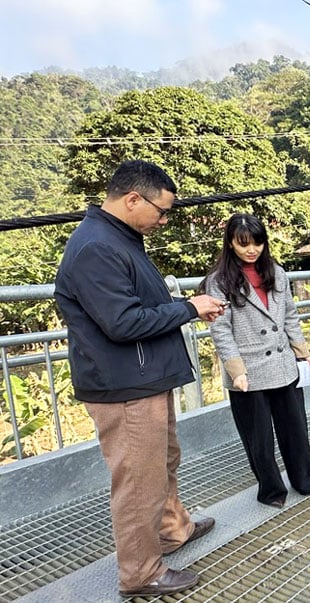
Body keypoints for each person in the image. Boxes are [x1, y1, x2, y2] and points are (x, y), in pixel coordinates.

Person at [53, 160, 223, 598]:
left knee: (162, 463)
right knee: (137, 483)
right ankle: (142, 572)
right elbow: (123, 323)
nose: (163, 221)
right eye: (161, 211)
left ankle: (172, 531)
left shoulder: (117, 240)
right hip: (124, 385)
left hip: (143, 378)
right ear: (133, 199)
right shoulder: (96, 247)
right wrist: (189, 308)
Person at [203, 213, 310, 509]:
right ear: (230, 243)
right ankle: (271, 490)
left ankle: (304, 480)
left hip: (282, 363)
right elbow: (221, 330)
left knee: (295, 427)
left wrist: (303, 353)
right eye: (243, 244)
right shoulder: (218, 282)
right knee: (259, 437)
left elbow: (290, 316)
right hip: (248, 369)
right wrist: (236, 370)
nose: (252, 249)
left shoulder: (276, 272)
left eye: (257, 242)